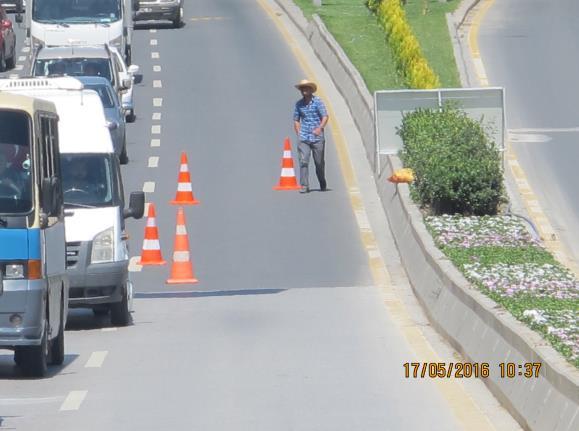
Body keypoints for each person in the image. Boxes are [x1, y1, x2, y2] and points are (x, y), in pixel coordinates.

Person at [293, 79, 329, 193]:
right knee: (304, 161)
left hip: (317, 138)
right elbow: (296, 119)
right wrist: (299, 132)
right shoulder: (299, 104)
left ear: (310, 89)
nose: (304, 90)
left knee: (319, 163)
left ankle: (322, 182)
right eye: (302, 88)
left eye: (306, 88)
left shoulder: (317, 102)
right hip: (304, 137)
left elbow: (325, 116)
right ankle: (304, 185)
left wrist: (320, 128)